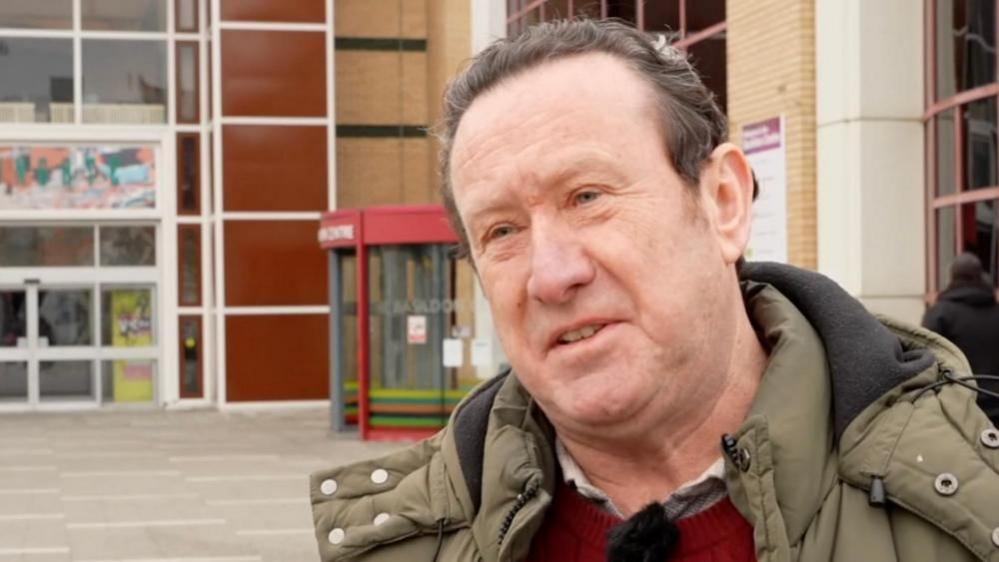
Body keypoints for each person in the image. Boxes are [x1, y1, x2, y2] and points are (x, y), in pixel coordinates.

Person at [311, 20, 999, 562]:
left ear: (723, 201)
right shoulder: (401, 541)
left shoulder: (969, 507)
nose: (552, 275)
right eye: (501, 232)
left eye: (586, 196)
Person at [923, 252, 999, 423]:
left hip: (961, 410)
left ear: (951, 277)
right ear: (980, 276)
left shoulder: (939, 314)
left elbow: (927, 363)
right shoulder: (996, 312)